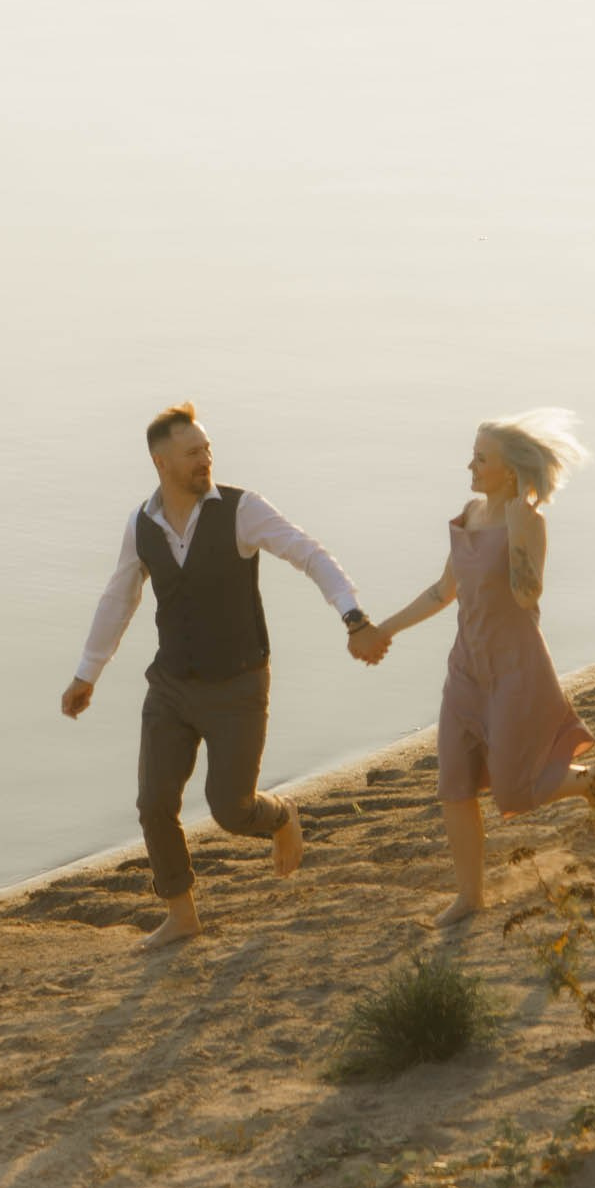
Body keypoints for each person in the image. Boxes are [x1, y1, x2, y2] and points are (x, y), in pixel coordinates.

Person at [61, 401, 387, 947]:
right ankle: (182, 914)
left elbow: (309, 554)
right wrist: (86, 673)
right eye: (192, 453)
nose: (205, 460)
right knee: (153, 804)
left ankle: (281, 815)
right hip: (171, 685)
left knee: (232, 811)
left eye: (207, 449)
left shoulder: (241, 510)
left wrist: (352, 615)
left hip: (238, 684)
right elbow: (119, 597)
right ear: (161, 462)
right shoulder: (141, 524)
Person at [353, 409, 595, 920]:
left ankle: (590, 781)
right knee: (455, 784)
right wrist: (385, 630)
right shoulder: (468, 514)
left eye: (481, 457)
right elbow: (442, 591)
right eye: (473, 454)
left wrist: (516, 534)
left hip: (517, 670)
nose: (470, 464)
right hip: (466, 670)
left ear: (509, 471)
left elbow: (527, 592)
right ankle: (470, 897)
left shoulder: (529, 523)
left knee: (516, 791)